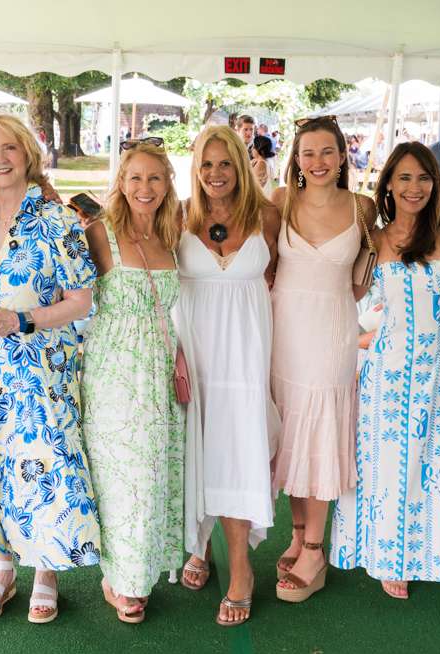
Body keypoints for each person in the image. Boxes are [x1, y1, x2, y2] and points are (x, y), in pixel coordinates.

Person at [0, 114, 101, 624]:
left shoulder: (56, 219)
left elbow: (81, 300)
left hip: (39, 370)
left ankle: (46, 572)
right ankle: (4, 568)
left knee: (40, 466)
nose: (0, 159)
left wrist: (23, 320)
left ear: (27, 153)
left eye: (9, 148)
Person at [330, 142, 440, 599]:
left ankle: (421, 554)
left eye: (423, 178)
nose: (414, 187)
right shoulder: (375, 241)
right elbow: (350, 300)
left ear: (436, 184)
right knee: (386, 468)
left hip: (437, 374)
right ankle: (386, 557)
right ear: (389, 186)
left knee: (431, 463)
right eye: (404, 178)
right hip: (386, 374)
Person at [177, 125, 280, 626]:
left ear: (241, 165)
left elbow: (279, 278)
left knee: (238, 454)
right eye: (206, 164)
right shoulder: (178, 215)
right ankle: (198, 545)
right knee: (197, 449)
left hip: (244, 356)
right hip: (194, 352)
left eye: (224, 163)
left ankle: (241, 568)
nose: (215, 173)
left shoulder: (267, 216)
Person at [269, 116, 375, 604]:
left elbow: (365, 275)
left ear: (342, 155)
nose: (317, 162)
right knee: (290, 433)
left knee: (320, 433)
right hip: (283, 332)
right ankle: (296, 535)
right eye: (308, 153)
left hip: (332, 331)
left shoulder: (362, 207)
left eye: (327, 151)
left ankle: (315, 549)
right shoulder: (280, 201)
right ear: (296, 158)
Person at [80, 136, 183, 624]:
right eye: (136, 177)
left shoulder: (172, 234)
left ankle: (140, 568)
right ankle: (120, 577)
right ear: (121, 182)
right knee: (122, 474)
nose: (146, 187)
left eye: (155, 177)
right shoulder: (99, 233)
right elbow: (68, 292)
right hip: (114, 369)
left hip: (161, 366)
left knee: (155, 470)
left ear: (167, 184)